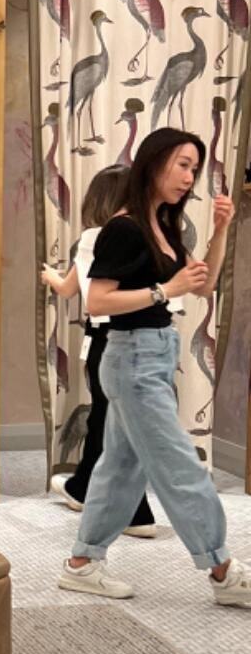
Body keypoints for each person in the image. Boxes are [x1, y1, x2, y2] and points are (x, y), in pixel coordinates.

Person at [56, 127, 249, 608]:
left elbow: (202, 285)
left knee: (120, 468)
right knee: (180, 466)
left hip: (154, 354)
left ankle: (82, 563)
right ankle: (223, 571)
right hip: (132, 358)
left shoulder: (161, 224)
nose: (189, 177)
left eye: (194, 169)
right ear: (154, 162)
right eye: (182, 165)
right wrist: (165, 291)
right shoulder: (124, 229)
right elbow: (98, 300)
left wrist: (221, 229)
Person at [40, 166, 157, 538]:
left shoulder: (94, 237)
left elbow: (69, 290)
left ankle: (135, 512)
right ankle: (82, 488)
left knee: (112, 420)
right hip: (141, 336)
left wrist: (49, 275)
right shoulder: (146, 236)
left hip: (107, 339)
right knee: (108, 417)